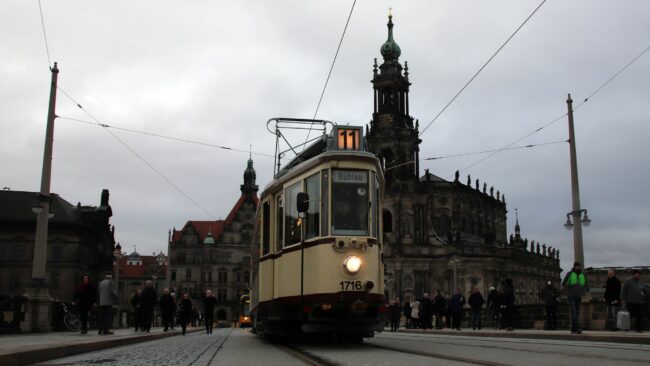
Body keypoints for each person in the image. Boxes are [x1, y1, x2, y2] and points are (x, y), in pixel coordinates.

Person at [562, 261, 587, 334]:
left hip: (579, 296)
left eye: (580, 266)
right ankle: (578, 328)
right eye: (577, 266)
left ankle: (573, 329)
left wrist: (583, 292)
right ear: (575, 266)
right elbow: (564, 284)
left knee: (576, 313)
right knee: (574, 313)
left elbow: (585, 285)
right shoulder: (570, 274)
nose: (579, 267)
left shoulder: (582, 275)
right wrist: (569, 293)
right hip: (572, 297)